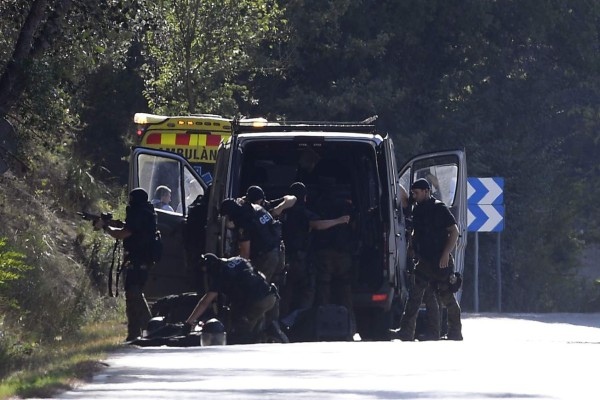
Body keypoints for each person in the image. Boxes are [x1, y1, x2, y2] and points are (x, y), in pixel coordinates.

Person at [389, 178, 462, 341]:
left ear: (426, 191)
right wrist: (411, 247)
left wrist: (445, 254)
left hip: (440, 260)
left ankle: (455, 332)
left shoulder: (439, 208)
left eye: (416, 192)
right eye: (413, 193)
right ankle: (407, 332)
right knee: (414, 296)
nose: (413, 196)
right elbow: (416, 231)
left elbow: (454, 231)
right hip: (424, 261)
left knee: (446, 296)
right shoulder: (417, 210)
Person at [273, 182, 351, 321]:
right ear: (305, 198)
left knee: (285, 291)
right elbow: (318, 225)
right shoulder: (303, 213)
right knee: (309, 291)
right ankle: (297, 321)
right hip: (299, 260)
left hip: (283, 258)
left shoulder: (281, 212)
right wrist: (339, 221)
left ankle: (281, 321)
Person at [95, 188, 156, 341]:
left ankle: (152, 329)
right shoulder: (146, 212)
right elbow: (130, 228)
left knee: (134, 294)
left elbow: (123, 234)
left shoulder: (139, 213)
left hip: (138, 260)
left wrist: (106, 227)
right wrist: (113, 223)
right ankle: (134, 333)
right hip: (140, 260)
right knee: (132, 294)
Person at [184, 253, 287, 344]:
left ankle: (268, 332)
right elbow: (259, 275)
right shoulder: (238, 260)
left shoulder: (221, 274)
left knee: (241, 332)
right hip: (270, 295)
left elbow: (205, 302)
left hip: (256, 302)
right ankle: (269, 329)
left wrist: (188, 323)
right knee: (254, 323)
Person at [311, 177, 357, 333]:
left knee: (323, 291)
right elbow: (355, 226)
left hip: (324, 253)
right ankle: (350, 328)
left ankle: (322, 328)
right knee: (345, 292)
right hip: (343, 254)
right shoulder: (345, 205)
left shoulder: (317, 204)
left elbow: (314, 226)